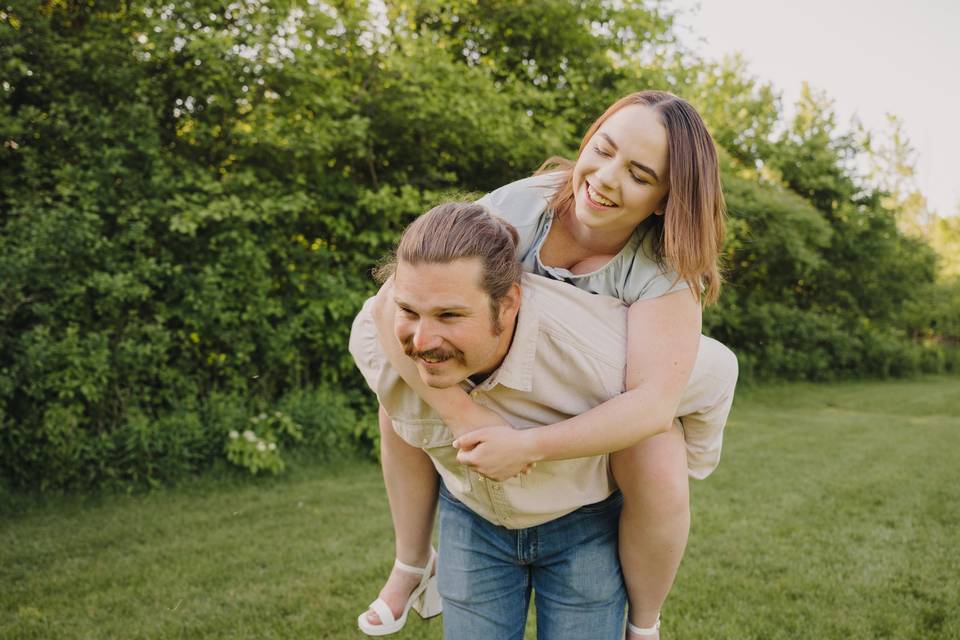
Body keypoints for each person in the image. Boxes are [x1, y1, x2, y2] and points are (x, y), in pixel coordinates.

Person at [358, 90, 734, 638]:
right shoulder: (521, 208)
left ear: (663, 198)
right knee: (399, 381)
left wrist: (529, 446)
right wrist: (464, 415)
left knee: (658, 450)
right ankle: (412, 565)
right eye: (602, 150)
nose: (605, 178)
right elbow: (400, 295)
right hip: (501, 396)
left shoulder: (662, 273)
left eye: (638, 173)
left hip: (584, 419)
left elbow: (652, 403)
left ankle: (644, 625)